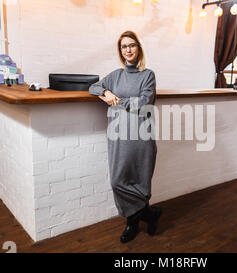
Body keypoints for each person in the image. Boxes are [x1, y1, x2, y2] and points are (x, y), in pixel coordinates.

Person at [89, 30, 162, 243]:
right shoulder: (115, 75)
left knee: (139, 179)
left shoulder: (148, 74)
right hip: (118, 136)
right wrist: (106, 93)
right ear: (120, 51)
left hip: (140, 136)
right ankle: (150, 214)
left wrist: (120, 102)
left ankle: (132, 223)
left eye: (131, 45)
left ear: (138, 48)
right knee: (118, 181)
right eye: (123, 47)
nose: (128, 50)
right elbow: (93, 86)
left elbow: (145, 102)